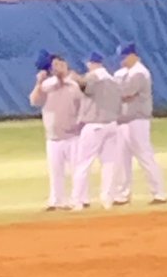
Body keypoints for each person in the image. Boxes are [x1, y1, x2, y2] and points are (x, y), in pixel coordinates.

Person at [113, 42, 167, 205]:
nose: (121, 60)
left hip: (138, 120)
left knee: (144, 155)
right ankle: (123, 194)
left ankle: (159, 193)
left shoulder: (139, 72)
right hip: (123, 120)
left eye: (124, 56)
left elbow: (125, 93)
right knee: (122, 158)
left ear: (133, 56)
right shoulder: (124, 72)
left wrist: (110, 91)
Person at [29, 50, 82, 211]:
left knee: (77, 171)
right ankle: (56, 200)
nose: (59, 68)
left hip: (73, 135)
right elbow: (34, 101)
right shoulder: (46, 85)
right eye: (56, 65)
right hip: (53, 136)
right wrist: (39, 83)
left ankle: (77, 200)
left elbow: (83, 107)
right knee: (56, 172)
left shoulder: (74, 85)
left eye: (61, 64)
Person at [72, 51, 122, 209]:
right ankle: (107, 200)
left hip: (95, 125)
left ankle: (77, 201)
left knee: (83, 164)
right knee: (109, 164)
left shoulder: (92, 77)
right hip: (112, 125)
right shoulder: (113, 79)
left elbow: (86, 88)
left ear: (90, 63)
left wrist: (75, 78)